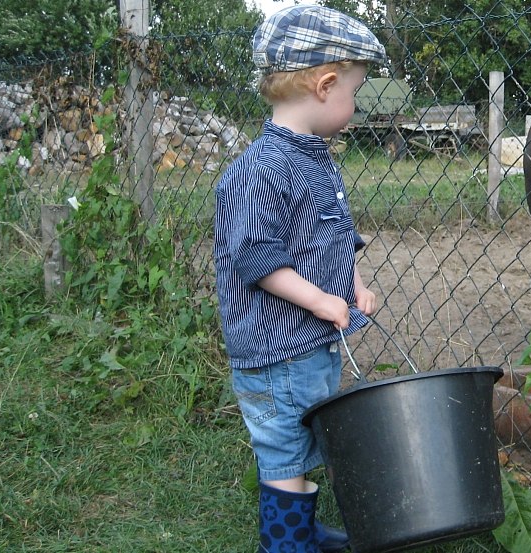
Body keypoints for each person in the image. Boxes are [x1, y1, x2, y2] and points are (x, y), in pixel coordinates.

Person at [213, 5, 384, 552]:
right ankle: (285, 545)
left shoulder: (314, 159)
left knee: (303, 440)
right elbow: (254, 256)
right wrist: (317, 300)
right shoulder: (260, 168)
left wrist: (352, 281)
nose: (355, 109)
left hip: (306, 345)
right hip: (275, 351)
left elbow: (331, 234)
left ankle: (301, 531)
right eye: (354, 93)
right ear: (325, 85)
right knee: (284, 450)